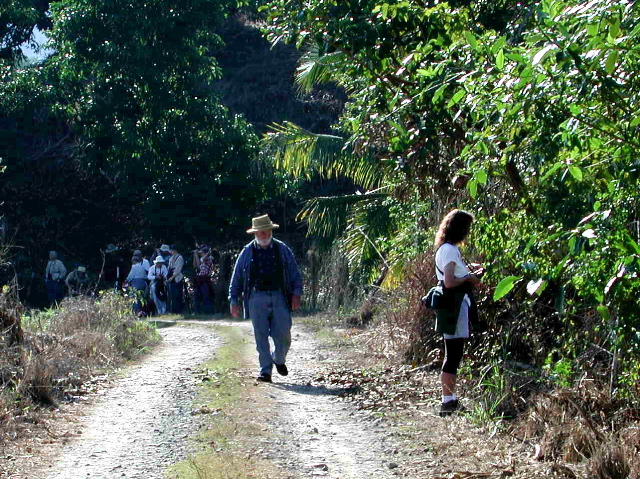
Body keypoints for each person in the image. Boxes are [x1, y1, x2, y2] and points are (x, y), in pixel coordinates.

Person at [229, 215, 303, 383]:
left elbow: (295, 273)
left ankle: (278, 358)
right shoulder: (247, 252)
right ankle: (265, 371)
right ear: (255, 233)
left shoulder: (282, 249)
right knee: (260, 336)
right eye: (262, 232)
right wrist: (233, 299)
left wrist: (297, 293)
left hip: (279, 296)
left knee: (284, 334)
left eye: (268, 231)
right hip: (256, 298)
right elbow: (237, 277)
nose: (265, 235)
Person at [433, 209, 485, 416]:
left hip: (454, 306)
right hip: (453, 306)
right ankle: (447, 402)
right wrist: (470, 278)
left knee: (454, 354)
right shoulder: (449, 250)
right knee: (453, 355)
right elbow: (449, 281)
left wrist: (469, 272)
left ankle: (451, 400)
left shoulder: (448, 249)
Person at [193, 246, 213, 314]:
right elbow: (196, 265)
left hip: (205, 279)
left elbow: (201, 260)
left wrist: (197, 254)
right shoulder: (202, 260)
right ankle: (197, 311)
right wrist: (195, 255)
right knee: (196, 294)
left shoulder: (208, 259)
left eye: (202, 252)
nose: (200, 254)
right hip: (200, 279)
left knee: (205, 296)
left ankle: (207, 312)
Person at [167, 245, 185, 314]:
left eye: (171, 250)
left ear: (174, 250)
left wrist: (172, 277)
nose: (170, 251)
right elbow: (169, 268)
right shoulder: (171, 258)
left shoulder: (180, 258)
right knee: (172, 296)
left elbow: (178, 269)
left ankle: (179, 310)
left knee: (178, 295)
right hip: (171, 278)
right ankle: (173, 311)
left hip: (177, 278)